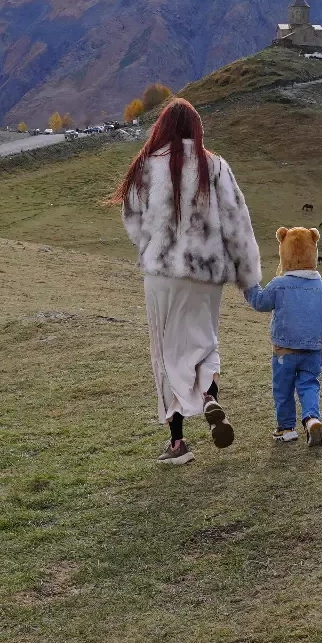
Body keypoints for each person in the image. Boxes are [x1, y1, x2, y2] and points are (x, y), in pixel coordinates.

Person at [111, 96, 262, 464]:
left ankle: (177, 444)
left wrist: (153, 246)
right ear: (197, 130)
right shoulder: (216, 167)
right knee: (204, 344)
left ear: (161, 128)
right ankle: (210, 398)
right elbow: (237, 224)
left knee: (166, 353)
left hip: (162, 276)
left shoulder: (146, 166)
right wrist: (248, 277)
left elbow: (132, 219)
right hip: (205, 275)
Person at [243, 226, 322, 446]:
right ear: (313, 248)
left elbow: (260, 302)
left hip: (284, 351)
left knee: (284, 388)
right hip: (312, 350)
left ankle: (286, 428)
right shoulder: (320, 286)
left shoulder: (279, 285)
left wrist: (248, 283)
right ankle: (311, 419)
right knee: (309, 384)